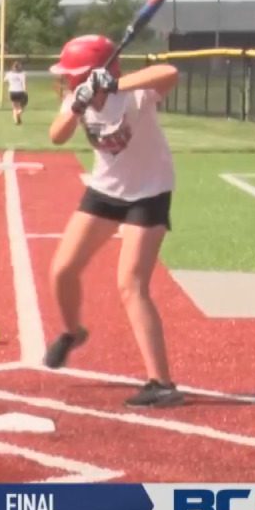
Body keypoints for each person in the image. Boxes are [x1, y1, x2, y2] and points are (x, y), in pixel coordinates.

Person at [43, 34, 184, 409]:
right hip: (106, 191)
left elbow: (169, 72)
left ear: (96, 72)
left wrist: (114, 83)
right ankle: (73, 332)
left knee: (130, 284)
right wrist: (77, 104)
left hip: (149, 193)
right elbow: (56, 136)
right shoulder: (78, 98)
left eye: (75, 75)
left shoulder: (135, 95)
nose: (68, 80)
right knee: (62, 270)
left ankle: (162, 384)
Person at [4, 60, 28, 125]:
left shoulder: (9, 74)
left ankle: (16, 121)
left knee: (15, 107)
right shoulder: (23, 74)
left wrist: (10, 83)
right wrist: (25, 91)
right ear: (20, 67)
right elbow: (24, 83)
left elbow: (5, 81)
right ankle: (19, 113)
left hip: (12, 91)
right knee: (22, 106)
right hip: (20, 91)